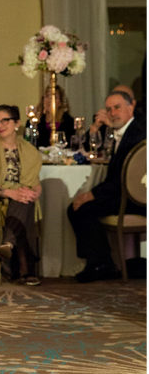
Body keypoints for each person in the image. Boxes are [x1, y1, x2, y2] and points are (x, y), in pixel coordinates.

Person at [68, 90, 146, 282]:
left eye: (117, 107)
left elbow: (122, 179)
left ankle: (100, 264)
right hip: (124, 192)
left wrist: (91, 194)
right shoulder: (124, 131)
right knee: (80, 207)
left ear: (131, 106)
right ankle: (102, 261)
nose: (112, 113)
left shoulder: (137, 134)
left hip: (136, 199)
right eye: (109, 109)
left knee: (79, 209)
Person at [0, 105, 42, 286]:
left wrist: (34, 192)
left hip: (20, 199)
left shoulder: (30, 151)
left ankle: (8, 245)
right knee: (23, 203)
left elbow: (35, 183)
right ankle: (27, 270)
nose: (0, 125)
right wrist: (9, 192)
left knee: (25, 201)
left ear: (17, 123)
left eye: (4, 120)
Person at [35, 82, 75, 148]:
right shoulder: (37, 121)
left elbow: (70, 145)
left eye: (54, 97)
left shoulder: (68, 121)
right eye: (47, 96)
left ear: (60, 102)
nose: (50, 100)